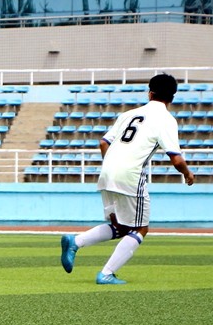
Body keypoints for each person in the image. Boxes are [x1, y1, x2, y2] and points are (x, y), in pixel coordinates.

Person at [60, 73, 194, 284]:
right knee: (141, 228)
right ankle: (106, 273)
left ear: (150, 93)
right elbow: (176, 159)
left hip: (107, 172)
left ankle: (76, 241)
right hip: (130, 175)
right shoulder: (166, 119)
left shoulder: (129, 114)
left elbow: (103, 143)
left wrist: (112, 166)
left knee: (122, 227)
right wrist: (188, 173)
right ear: (172, 97)